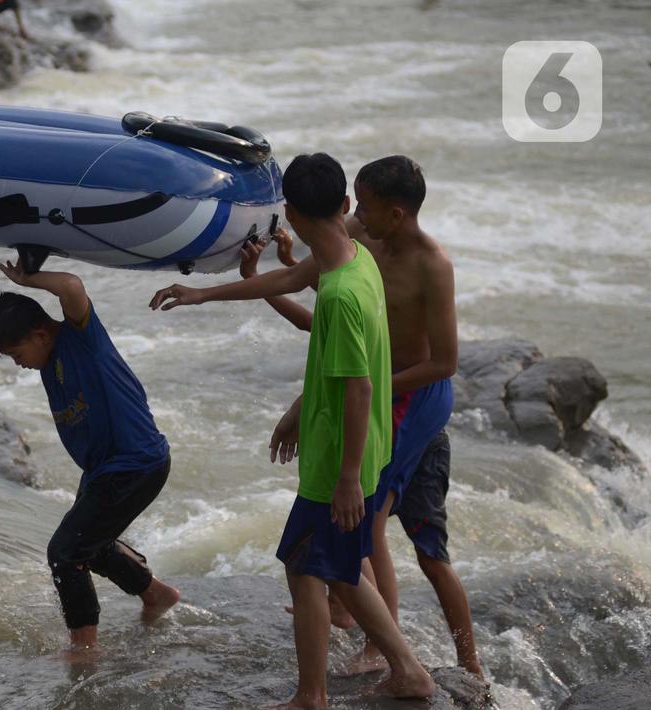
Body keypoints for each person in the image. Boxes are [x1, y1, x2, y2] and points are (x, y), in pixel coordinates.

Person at [151, 153, 434, 707]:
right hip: (363, 444)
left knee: (314, 565)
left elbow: (359, 389)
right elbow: (288, 277)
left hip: (339, 460)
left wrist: (348, 477)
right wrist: (202, 294)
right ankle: (392, 675)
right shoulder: (355, 260)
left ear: (291, 215)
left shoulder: (342, 293)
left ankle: (331, 691)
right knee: (331, 567)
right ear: (346, 206)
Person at [237, 156, 481, 678]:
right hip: (367, 385)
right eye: (355, 205)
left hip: (412, 395)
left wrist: (344, 395)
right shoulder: (361, 239)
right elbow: (323, 312)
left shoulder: (431, 264)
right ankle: (352, 610)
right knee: (352, 524)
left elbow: (443, 362)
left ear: (395, 213)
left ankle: (420, 656)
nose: (356, 216)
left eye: (364, 208)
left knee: (367, 521)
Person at [0, 262, 179, 655]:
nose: (18, 363)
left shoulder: (81, 338)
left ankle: (84, 648)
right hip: (106, 470)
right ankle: (157, 594)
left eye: (17, 353)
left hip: (134, 464)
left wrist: (28, 280)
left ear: (41, 334)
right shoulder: (47, 361)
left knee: (64, 552)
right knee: (92, 545)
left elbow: (72, 287)